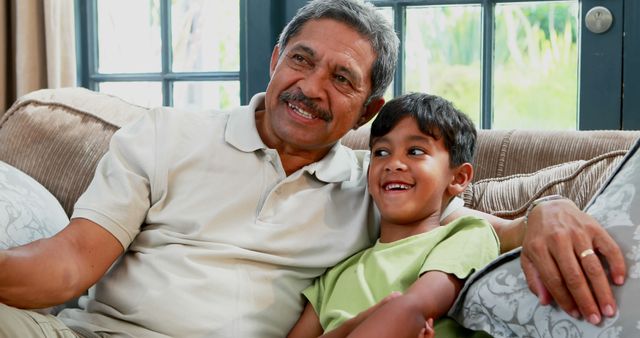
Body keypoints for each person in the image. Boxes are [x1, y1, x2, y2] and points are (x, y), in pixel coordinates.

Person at [0, 0, 625, 337]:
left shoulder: (374, 191)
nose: (310, 87)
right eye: (301, 60)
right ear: (275, 60)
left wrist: (551, 209)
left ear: (367, 108)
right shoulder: (166, 134)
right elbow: (66, 268)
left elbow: (483, 225)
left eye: (341, 78)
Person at [287, 92, 499, 338]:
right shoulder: (336, 274)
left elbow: (413, 309)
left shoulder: (467, 234)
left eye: (416, 151)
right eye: (381, 152)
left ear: (458, 178)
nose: (393, 163)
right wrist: (356, 323)